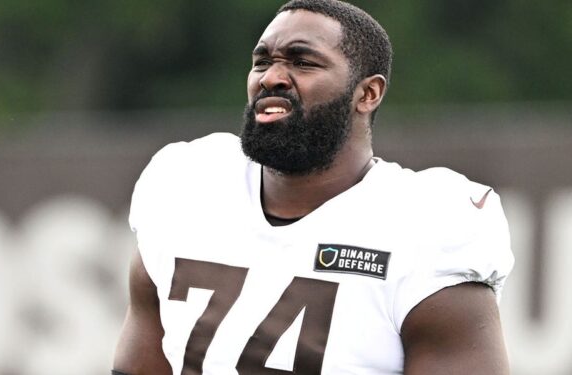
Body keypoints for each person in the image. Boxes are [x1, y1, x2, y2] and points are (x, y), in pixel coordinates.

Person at [113, 0, 514, 374]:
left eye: (302, 62)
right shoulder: (185, 183)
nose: (271, 77)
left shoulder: (426, 224)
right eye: (262, 61)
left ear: (368, 93)